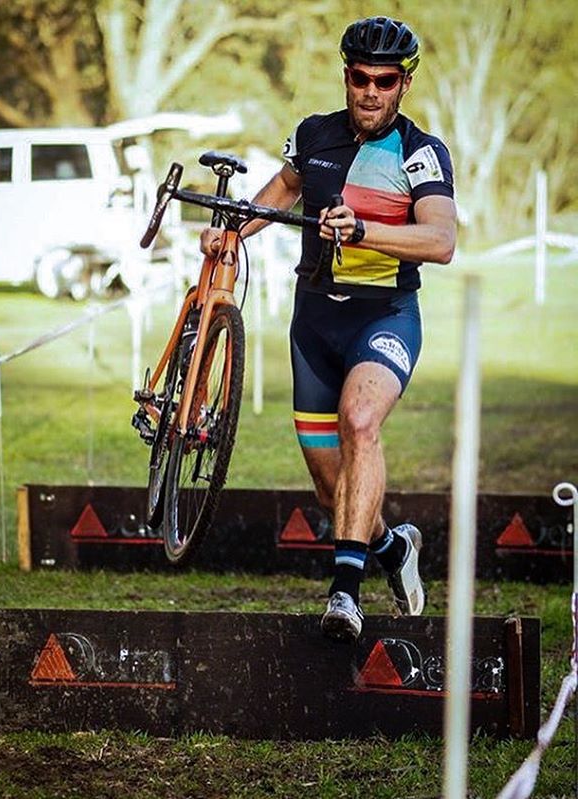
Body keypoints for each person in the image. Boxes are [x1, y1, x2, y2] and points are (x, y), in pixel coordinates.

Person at [200, 16, 457, 641]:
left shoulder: (420, 154)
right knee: (330, 487)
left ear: (404, 85)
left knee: (360, 421)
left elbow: (442, 239)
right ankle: (393, 548)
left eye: (386, 81)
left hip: (383, 316)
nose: (372, 91)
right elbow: (283, 189)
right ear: (346, 76)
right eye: (361, 78)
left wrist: (367, 230)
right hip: (314, 322)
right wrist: (232, 230)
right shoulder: (312, 134)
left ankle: (345, 596)